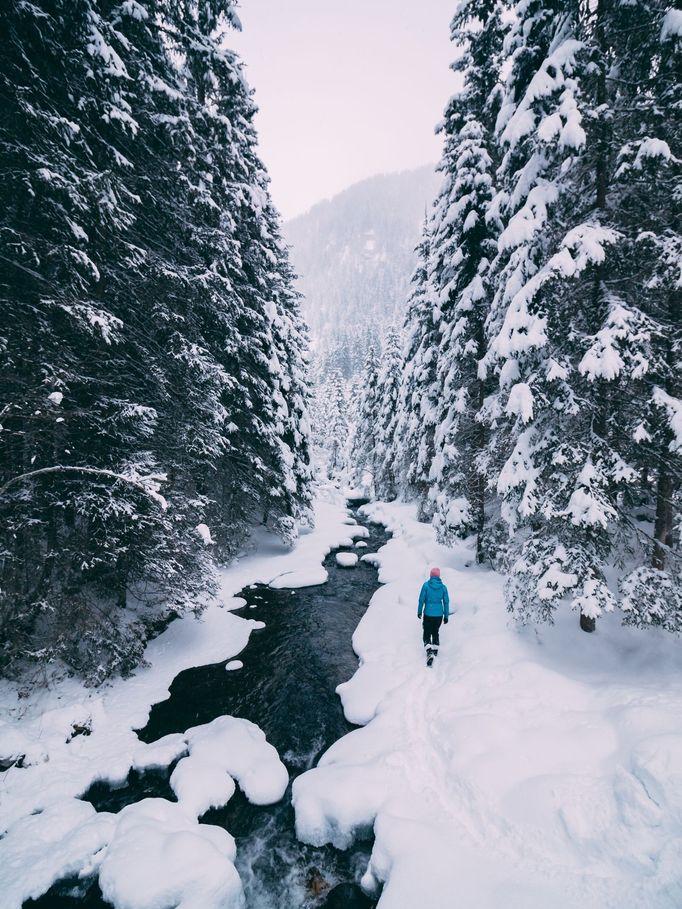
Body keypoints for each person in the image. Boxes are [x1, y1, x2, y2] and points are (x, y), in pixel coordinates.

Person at [417, 567, 449, 662]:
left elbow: (421, 600)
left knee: (427, 632)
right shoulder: (443, 587)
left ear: (431, 576)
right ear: (438, 576)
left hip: (428, 614)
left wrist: (419, 611)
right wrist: (446, 616)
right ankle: (435, 649)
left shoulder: (426, 586)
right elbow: (446, 602)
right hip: (439, 615)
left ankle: (429, 651)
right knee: (435, 631)